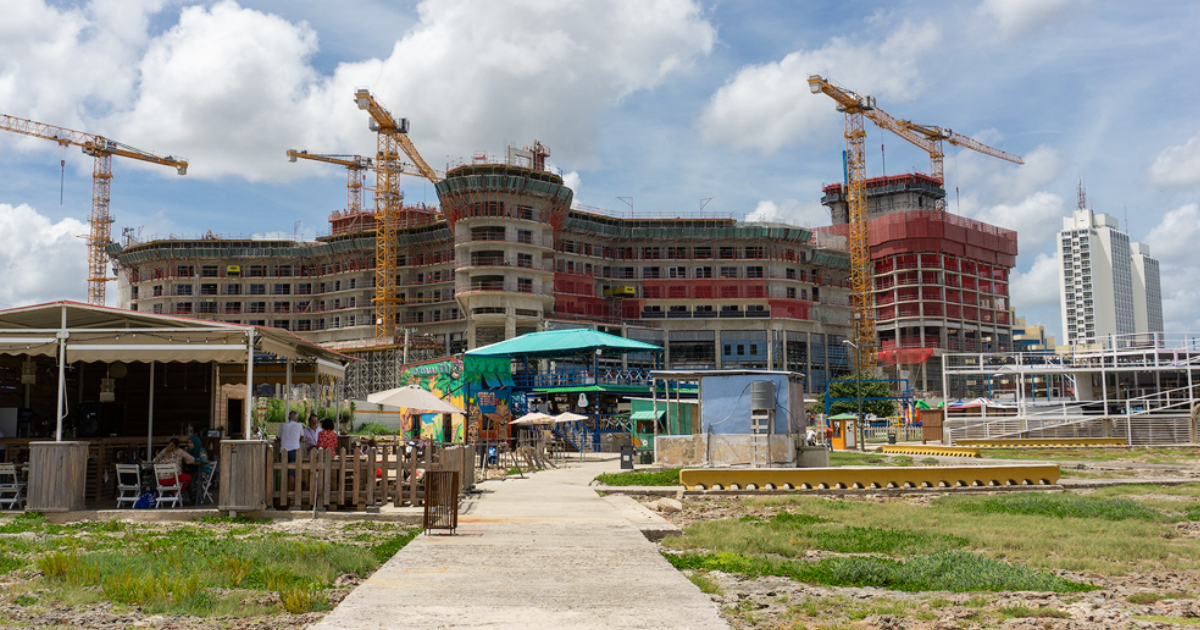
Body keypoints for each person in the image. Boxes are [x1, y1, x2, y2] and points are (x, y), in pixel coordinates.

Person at [277, 410, 304, 496]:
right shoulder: (299, 426)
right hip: (294, 450)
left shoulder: (283, 426)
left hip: (284, 450)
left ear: (289, 418)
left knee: (283, 473)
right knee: (292, 474)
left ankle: (283, 493)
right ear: (296, 418)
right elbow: (302, 437)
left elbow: (278, 437)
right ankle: (289, 494)